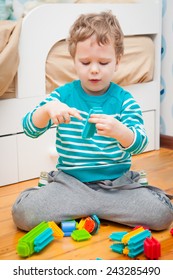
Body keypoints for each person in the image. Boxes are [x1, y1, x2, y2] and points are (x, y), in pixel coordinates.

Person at [12, 11, 173, 232]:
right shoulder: (62, 97)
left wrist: (120, 132)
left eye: (104, 62)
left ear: (117, 62)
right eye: (85, 62)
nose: (94, 69)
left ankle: (90, 206)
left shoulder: (124, 101)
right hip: (71, 184)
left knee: (162, 215)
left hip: (116, 184)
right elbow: (29, 129)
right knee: (23, 214)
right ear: (74, 62)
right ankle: (96, 207)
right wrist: (47, 110)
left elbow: (140, 142)